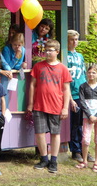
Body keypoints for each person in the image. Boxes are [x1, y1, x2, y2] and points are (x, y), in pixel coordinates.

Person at [27, 39, 72, 174]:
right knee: (39, 133)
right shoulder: (38, 66)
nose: (47, 52)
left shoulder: (63, 68)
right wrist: (30, 104)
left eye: (50, 50)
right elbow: (32, 85)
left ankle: (53, 160)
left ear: (57, 52)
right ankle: (43, 158)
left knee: (55, 133)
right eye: (46, 50)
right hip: (39, 105)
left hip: (56, 106)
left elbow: (66, 89)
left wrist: (65, 107)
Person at [67, 30, 93, 163]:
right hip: (72, 93)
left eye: (76, 39)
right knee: (75, 123)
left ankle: (85, 149)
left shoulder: (80, 56)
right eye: (72, 39)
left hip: (83, 92)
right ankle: (75, 149)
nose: (74, 42)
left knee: (84, 123)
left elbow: (83, 73)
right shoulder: (64, 56)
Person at [76, 65, 97, 173]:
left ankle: (96, 162)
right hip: (87, 116)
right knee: (85, 139)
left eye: (94, 72)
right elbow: (82, 102)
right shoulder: (83, 87)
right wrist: (89, 115)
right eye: (89, 72)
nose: (91, 74)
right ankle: (84, 161)